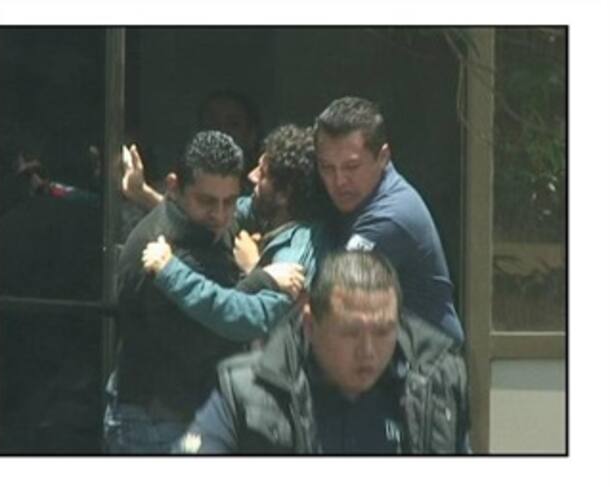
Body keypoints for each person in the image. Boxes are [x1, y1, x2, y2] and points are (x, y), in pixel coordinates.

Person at [103, 131, 302, 453]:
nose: (220, 215)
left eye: (230, 201)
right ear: (174, 187)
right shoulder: (163, 254)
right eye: (207, 201)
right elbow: (214, 331)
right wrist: (262, 279)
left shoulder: (204, 224)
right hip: (155, 422)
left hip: (187, 412)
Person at [174, 250, 469, 454]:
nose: (368, 351)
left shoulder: (437, 385)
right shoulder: (247, 390)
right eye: (350, 332)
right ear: (310, 325)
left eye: (383, 332)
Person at [139, 124, 330, 341]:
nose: (251, 176)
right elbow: (214, 211)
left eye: (263, 173)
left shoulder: (295, 254)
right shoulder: (269, 212)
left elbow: (249, 318)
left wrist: (170, 271)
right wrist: (145, 194)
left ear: (283, 194)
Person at [314, 96, 464, 343]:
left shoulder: (390, 218)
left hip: (427, 361)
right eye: (327, 168)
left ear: (383, 157)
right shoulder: (362, 196)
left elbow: (328, 305)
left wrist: (260, 273)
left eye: (351, 167)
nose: (339, 181)